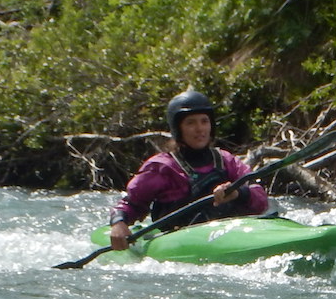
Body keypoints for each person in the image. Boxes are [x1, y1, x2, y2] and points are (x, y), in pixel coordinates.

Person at [108, 90, 268, 249]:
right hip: (180, 242)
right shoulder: (162, 167)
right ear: (178, 129)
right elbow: (131, 203)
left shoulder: (226, 160)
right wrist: (119, 222)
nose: (200, 129)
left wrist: (238, 193)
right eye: (191, 123)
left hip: (229, 234)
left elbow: (259, 197)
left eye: (204, 121)